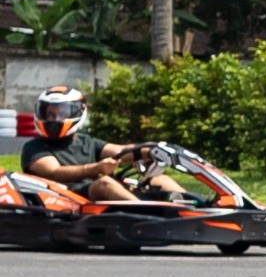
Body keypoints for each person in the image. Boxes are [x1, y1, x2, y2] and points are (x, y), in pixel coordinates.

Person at [18, 87, 162, 203]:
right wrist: (96, 168)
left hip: (90, 194)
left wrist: (154, 150)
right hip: (65, 198)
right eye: (50, 114)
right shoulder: (35, 147)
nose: (54, 119)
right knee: (104, 183)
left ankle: (183, 209)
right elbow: (53, 172)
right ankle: (151, 214)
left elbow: (121, 151)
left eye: (61, 113)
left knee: (158, 180)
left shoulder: (87, 142)